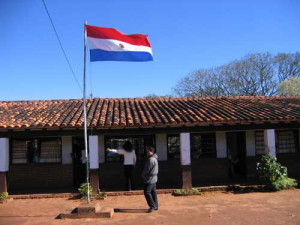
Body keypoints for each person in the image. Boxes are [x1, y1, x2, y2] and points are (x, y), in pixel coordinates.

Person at [142, 145, 159, 213]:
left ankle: (152, 206)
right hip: (154, 178)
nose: (146, 152)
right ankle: (156, 206)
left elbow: (146, 169)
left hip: (150, 178)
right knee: (153, 192)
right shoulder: (155, 158)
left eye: (147, 151)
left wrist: (143, 175)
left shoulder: (150, 159)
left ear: (150, 151)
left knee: (147, 192)